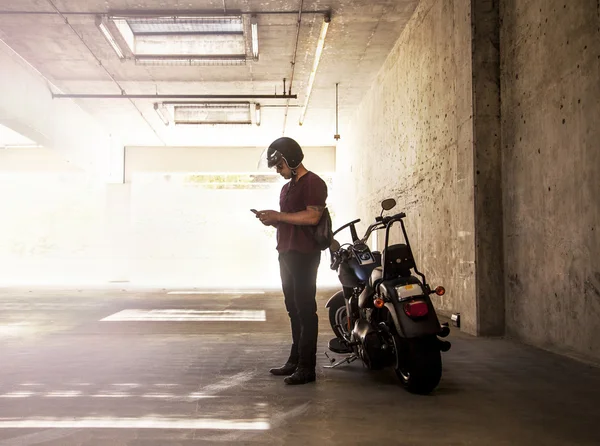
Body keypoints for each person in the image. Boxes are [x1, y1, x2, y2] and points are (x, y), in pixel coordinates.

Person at [255, 137, 327, 385]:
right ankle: (295, 360)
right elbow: (288, 218)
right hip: (285, 252)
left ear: (292, 160)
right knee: (292, 308)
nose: (278, 170)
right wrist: (273, 219)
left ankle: (307, 367)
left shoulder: (314, 183)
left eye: (279, 165)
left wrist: (280, 216)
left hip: (305, 253)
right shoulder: (286, 188)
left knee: (306, 309)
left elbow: (312, 217)